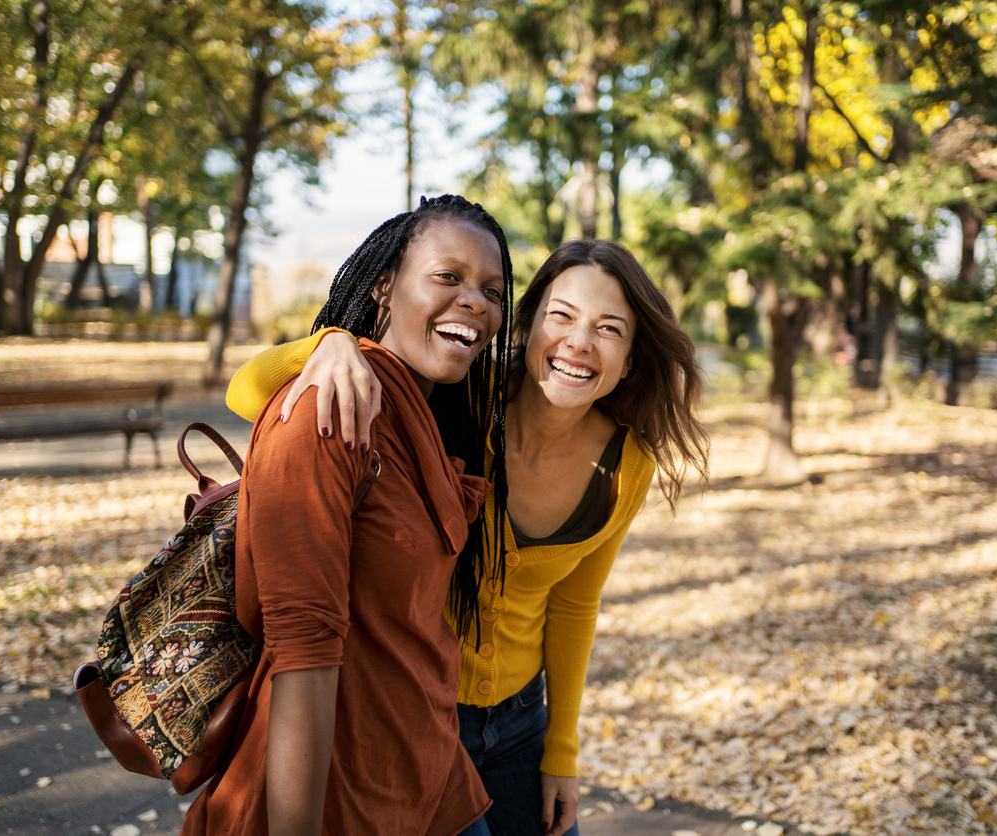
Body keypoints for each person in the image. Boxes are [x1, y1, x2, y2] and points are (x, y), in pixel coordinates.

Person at [227, 238, 711, 836]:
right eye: (561, 317)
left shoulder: (627, 463)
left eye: (609, 330)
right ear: (527, 327)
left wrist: (562, 752)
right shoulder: (460, 405)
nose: (579, 344)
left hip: (521, 725)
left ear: (631, 359)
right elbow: (246, 392)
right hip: (419, 719)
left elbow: (575, 602)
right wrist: (329, 345)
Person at [184, 195, 515, 836]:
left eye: (493, 291)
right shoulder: (327, 413)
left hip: (435, 782)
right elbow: (300, 649)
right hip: (338, 799)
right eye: (448, 277)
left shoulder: (433, 415)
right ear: (384, 287)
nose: (477, 302)